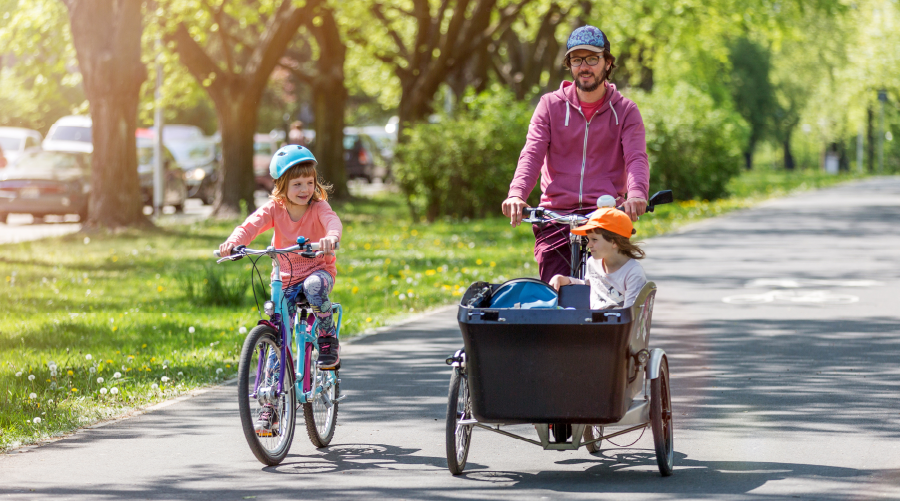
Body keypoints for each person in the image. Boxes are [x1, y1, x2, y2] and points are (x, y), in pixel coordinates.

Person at [501, 25, 650, 283]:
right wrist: (517, 194)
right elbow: (532, 153)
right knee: (555, 290)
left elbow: (636, 157)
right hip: (555, 214)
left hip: (603, 213)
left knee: (608, 292)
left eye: (592, 58)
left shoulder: (625, 110)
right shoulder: (550, 105)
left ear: (607, 63)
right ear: (569, 64)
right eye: (577, 59)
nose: (585, 66)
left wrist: (637, 195)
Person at [218, 145, 342, 433]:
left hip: (317, 270)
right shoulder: (274, 209)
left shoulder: (318, 207)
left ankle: (326, 337)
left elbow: (332, 223)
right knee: (277, 339)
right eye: (297, 184)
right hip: (284, 277)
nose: (304, 189)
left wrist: (331, 237)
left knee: (314, 288)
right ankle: (269, 409)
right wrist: (233, 242)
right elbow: (250, 225)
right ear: (281, 187)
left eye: (309, 183)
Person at [548, 207, 647, 309]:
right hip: (593, 323)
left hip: (616, 324)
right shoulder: (593, 263)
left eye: (594, 239)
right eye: (588, 239)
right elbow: (591, 285)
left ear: (615, 242)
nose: (588, 245)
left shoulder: (633, 273)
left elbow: (630, 316)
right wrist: (564, 280)